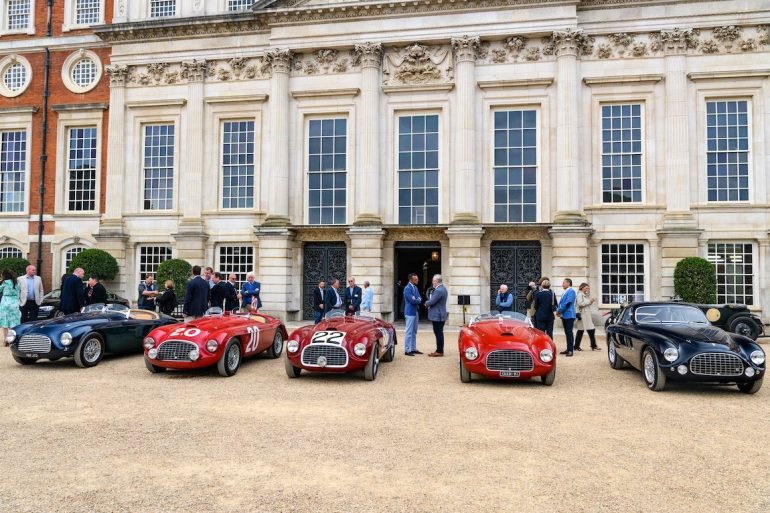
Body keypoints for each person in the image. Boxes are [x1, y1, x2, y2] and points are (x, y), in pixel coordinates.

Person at [424, 274, 448, 357]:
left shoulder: (438, 290)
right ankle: (439, 350)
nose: (432, 283)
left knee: (438, 333)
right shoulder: (443, 288)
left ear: (437, 281)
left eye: (433, 281)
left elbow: (432, 301)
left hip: (438, 315)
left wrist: (426, 303)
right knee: (439, 333)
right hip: (441, 314)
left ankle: (439, 351)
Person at [575, 282, 599, 351]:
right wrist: (589, 301)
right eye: (586, 288)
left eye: (588, 288)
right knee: (581, 330)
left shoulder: (585, 295)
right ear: (582, 288)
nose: (587, 289)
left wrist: (590, 302)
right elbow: (580, 304)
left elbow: (585, 304)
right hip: (582, 315)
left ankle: (593, 345)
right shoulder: (580, 294)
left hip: (586, 315)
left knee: (591, 329)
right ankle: (576, 346)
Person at [556, 278, 577, 357]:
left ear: (568, 283)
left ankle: (570, 350)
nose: (562, 284)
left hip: (569, 315)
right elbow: (562, 303)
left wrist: (560, 311)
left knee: (569, 333)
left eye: (563, 283)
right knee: (567, 333)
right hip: (565, 315)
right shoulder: (566, 291)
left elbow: (568, 303)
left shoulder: (571, 291)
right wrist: (559, 311)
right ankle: (568, 349)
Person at [403, 273, 422, 356]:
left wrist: (417, 299)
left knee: (414, 331)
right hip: (410, 312)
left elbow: (419, 298)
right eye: (416, 279)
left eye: (417, 279)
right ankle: (407, 350)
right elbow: (413, 301)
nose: (417, 280)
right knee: (409, 332)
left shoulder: (415, 288)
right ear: (411, 280)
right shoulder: (407, 288)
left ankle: (413, 348)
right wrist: (417, 299)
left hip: (415, 312)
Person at [1, 269, 21, 345]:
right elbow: (19, 293)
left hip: (5, 303)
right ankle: (13, 340)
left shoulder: (4, 283)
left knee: (5, 322)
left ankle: (6, 340)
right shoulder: (16, 283)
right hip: (14, 303)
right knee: (14, 323)